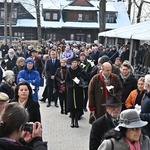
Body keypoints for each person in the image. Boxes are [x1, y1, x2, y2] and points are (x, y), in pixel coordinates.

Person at [65, 58, 88, 128]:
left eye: (76, 62)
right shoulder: (68, 71)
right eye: (73, 62)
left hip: (79, 90)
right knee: (72, 106)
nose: (75, 63)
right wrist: (70, 86)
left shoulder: (81, 70)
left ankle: (76, 120)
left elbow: (86, 77)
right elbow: (66, 80)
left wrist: (81, 76)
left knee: (78, 105)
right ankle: (72, 120)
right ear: (71, 63)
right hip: (71, 91)